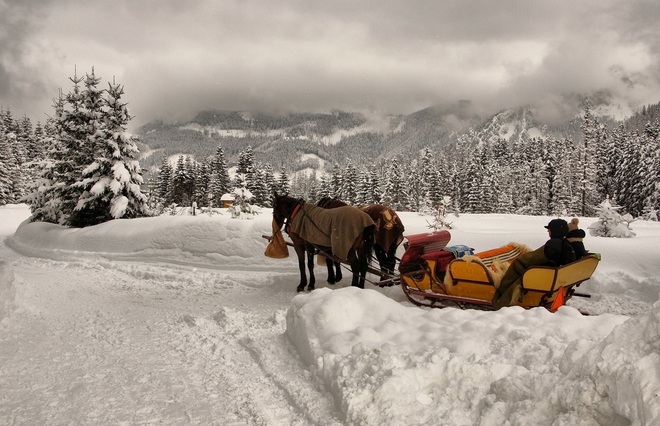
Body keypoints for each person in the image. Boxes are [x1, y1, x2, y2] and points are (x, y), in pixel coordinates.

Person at [491, 219, 576, 309]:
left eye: (549, 229)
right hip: (555, 275)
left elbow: (536, 258)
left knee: (516, 266)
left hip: (543, 275)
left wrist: (522, 260)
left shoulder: (553, 244)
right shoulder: (566, 244)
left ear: (555, 230)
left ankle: (502, 294)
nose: (548, 231)